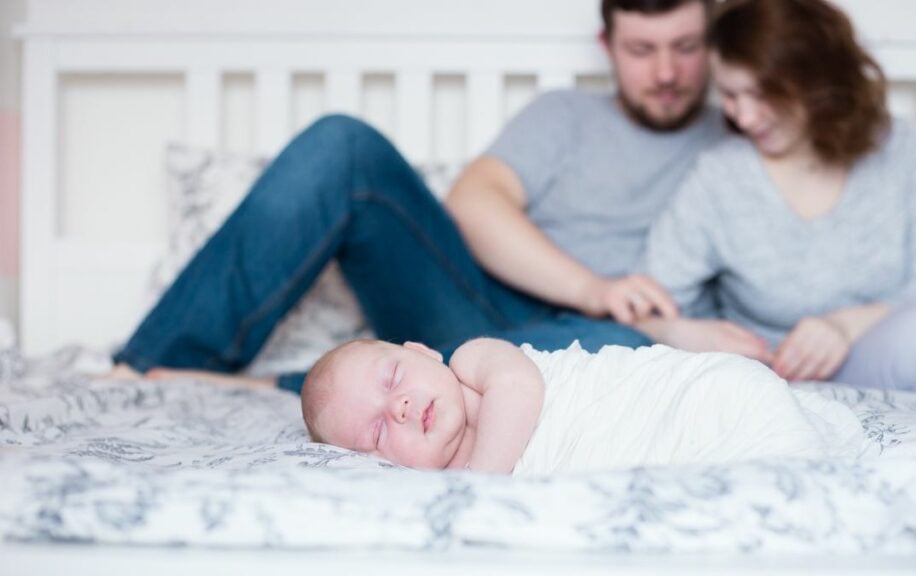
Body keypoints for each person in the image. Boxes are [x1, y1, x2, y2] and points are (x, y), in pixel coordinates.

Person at [111, 0, 740, 393]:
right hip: (481, 314)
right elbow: (474, 205)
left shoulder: (745, 138)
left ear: (712, 41)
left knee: (634, 354)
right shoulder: (564, 115)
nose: (665, 73)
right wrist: (596, 290)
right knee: (343, 147)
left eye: (685, 49)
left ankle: (279, 386)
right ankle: (145, 373)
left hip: (613, 348)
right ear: (607, 47)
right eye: (642, 50)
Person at [638, 0, 916, 398]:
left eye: (762, 94)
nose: (744, 117)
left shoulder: (908, 150)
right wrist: (678, 331)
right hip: (769, 387)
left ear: (819, 81)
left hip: (875, 368)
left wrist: (843, 327)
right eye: (729, 95)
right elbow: (644, 306)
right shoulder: (719, 175)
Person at [301, 337, 864, 475]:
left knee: (762, 437)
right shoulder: (426, 484)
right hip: (667, 461)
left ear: (422, 351)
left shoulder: (474, 360)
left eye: (393, 378)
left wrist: (480, 485)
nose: (397, 407)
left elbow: (521, 390)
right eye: (375, 432)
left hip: (690, 399)